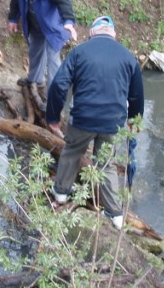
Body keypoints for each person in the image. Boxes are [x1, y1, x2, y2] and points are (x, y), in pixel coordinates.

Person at [45, 16, 144, 229]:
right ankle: (116, 215)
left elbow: (58, 85)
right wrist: (135, 122)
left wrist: (53, 117)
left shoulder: (79, 52)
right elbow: (136, 97)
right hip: (113, 124)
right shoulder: (128, 57)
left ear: (91, 33)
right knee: (107, 164)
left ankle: (61, 195)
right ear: (113, 34)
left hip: (83, 119)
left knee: (71, 153)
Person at [8, 0, 77, 93]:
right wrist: (12, 19)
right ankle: (35, 80)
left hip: (53, 26)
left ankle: (53, 95)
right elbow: (15, 0)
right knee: (35, 51)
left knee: (53, 59)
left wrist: (68, 21)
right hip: (35, 23)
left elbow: (63, 1)